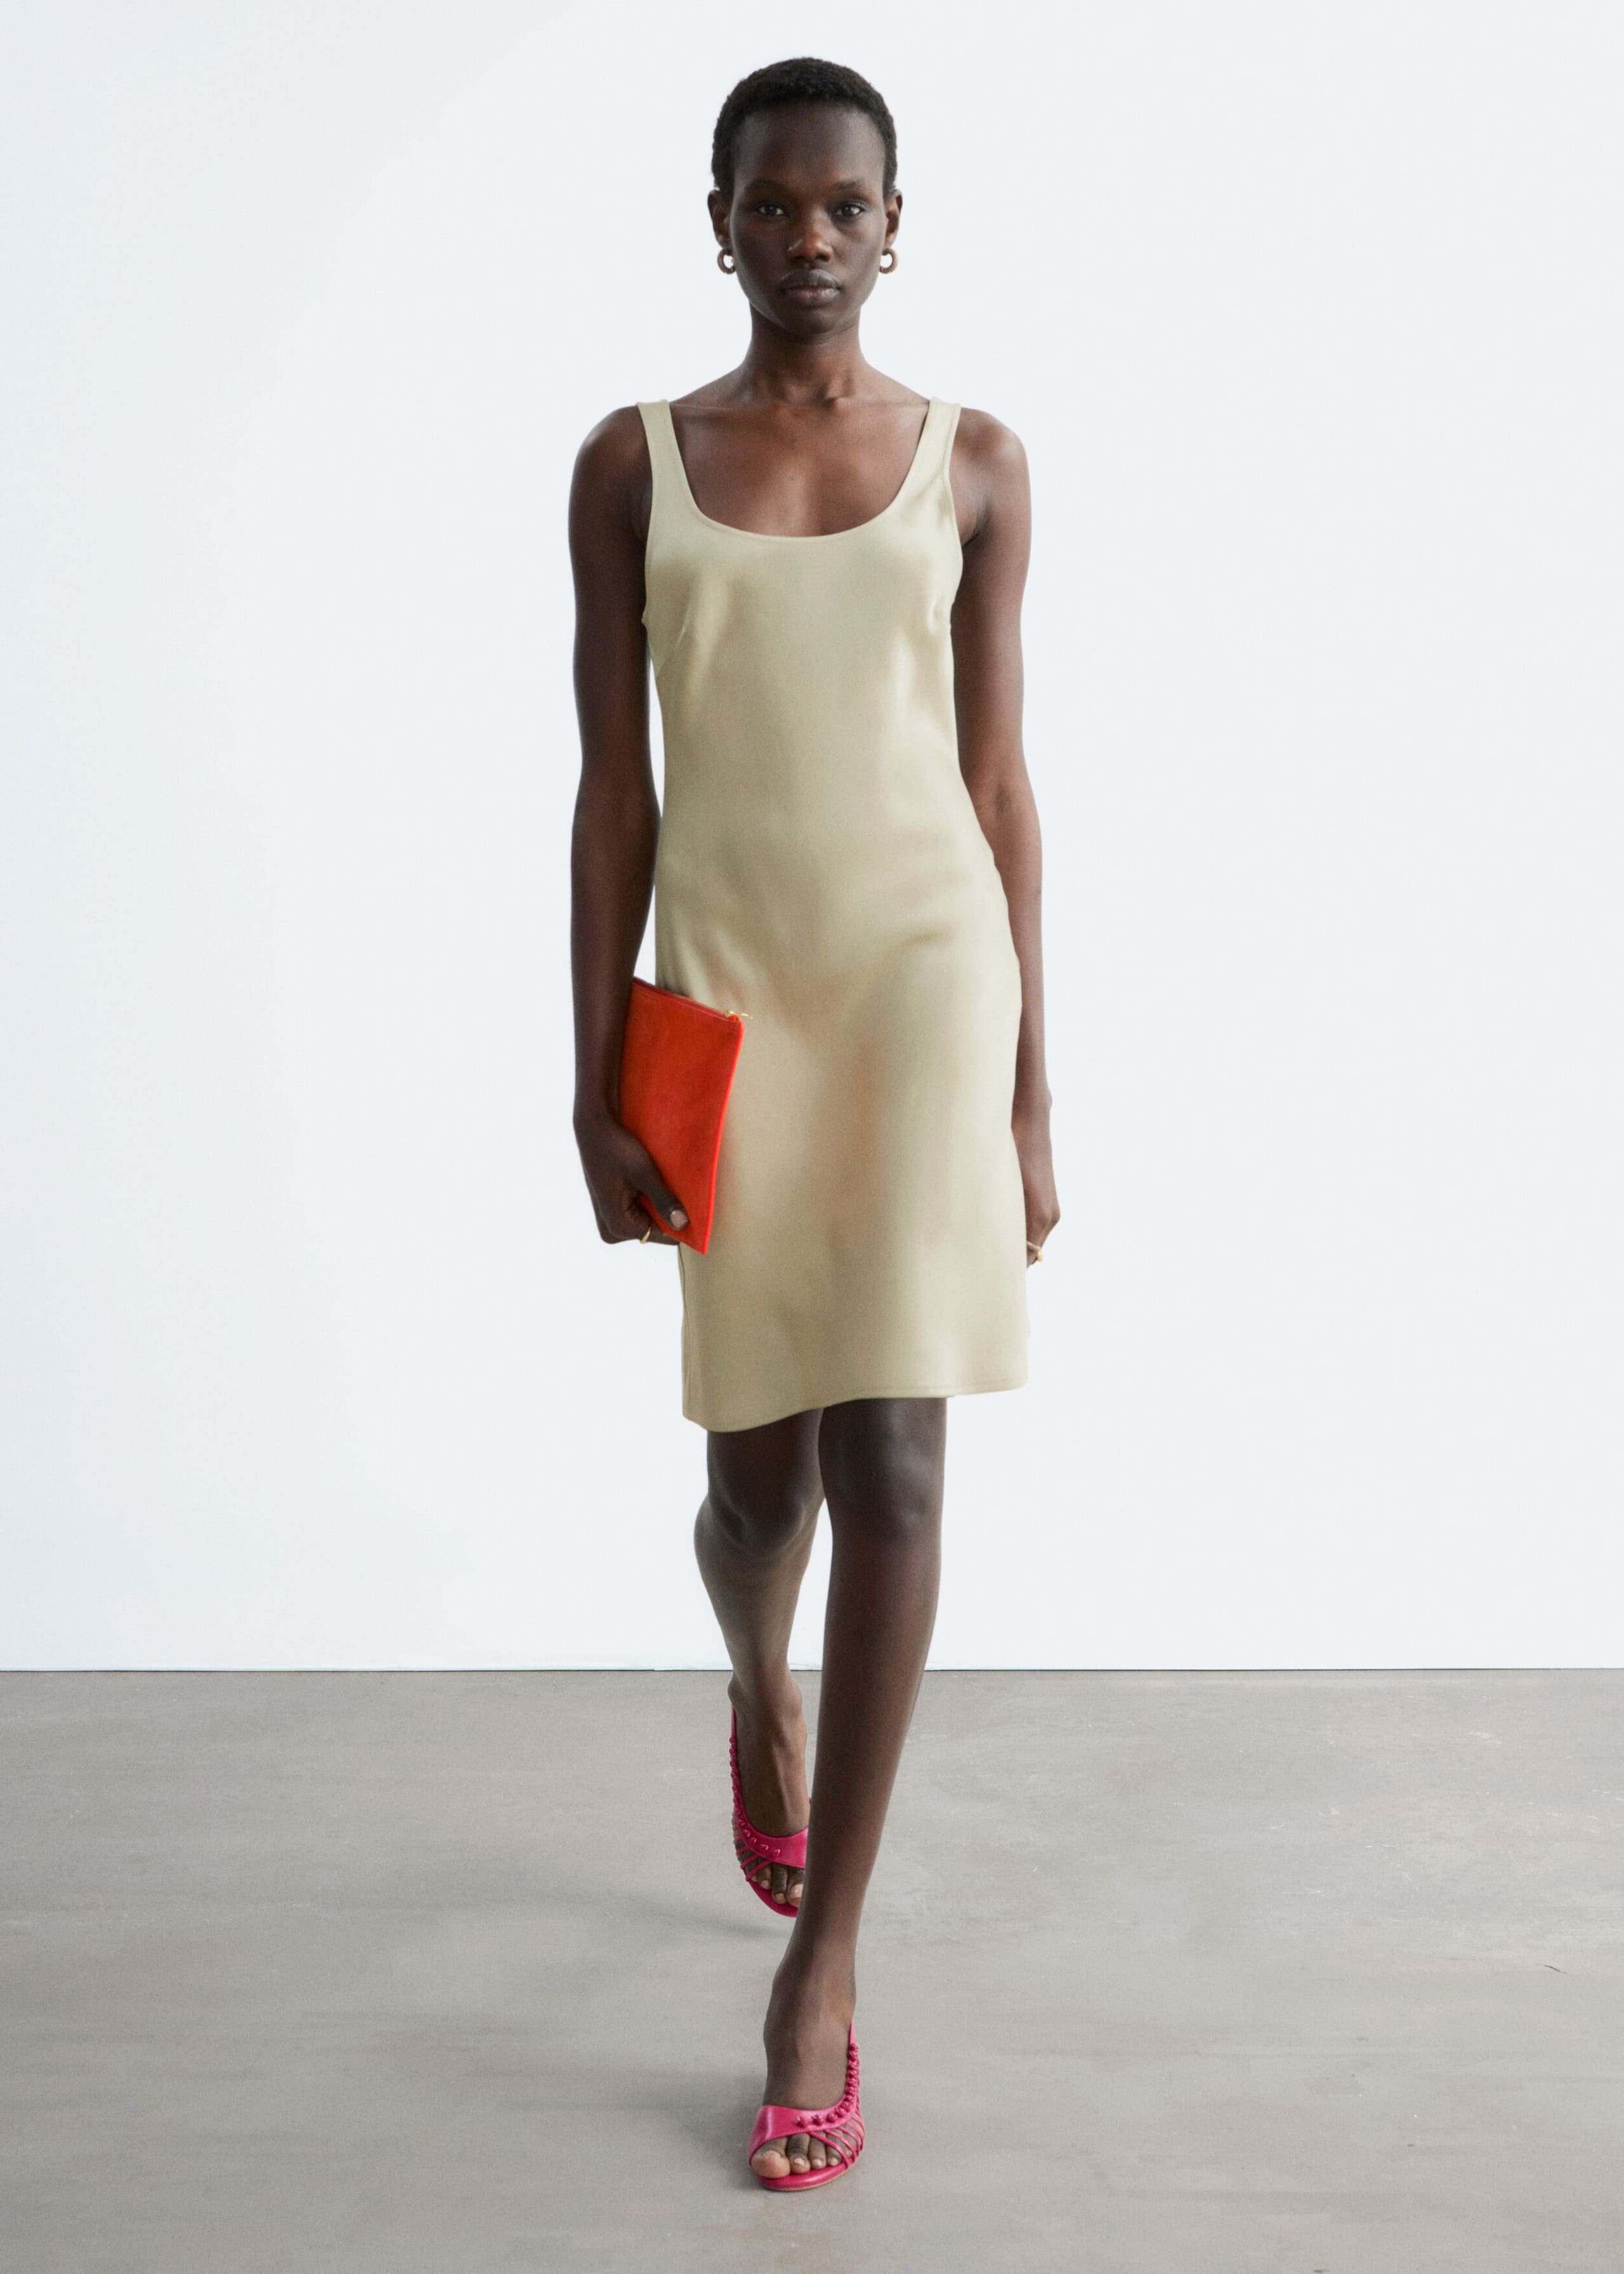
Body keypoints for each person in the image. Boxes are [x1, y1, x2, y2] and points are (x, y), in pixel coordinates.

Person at [568, 55, 1059, 2190]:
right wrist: (597, 1065)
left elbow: (1000, 781)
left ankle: (823, 1969)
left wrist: (1031, 1085)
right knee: (753, 1482)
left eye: (843, 205)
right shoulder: (633, 464)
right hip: (728, 994)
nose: (808, 239)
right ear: (718, 224)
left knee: (899, 1457)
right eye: (769, 205)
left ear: (894, 223)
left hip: (927, 986)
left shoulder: (978, 464)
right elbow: (616, 796)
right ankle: (755, 1682)